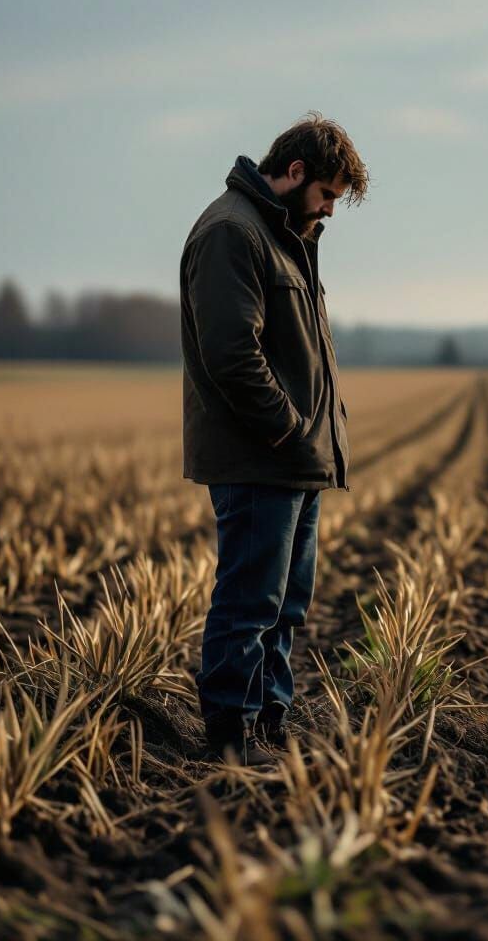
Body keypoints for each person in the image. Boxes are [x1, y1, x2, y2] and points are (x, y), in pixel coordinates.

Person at [179, 113, 368, 765]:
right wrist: (289, 430)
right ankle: (231, 735)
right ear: (293, 173)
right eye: (326, 195)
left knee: (285, 607)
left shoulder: (287, 234)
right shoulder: (234, 232)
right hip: (261, 457)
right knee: (249, 603)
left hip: (295, 461)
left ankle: (270, 727)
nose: (330, 211)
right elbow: (233, 353)